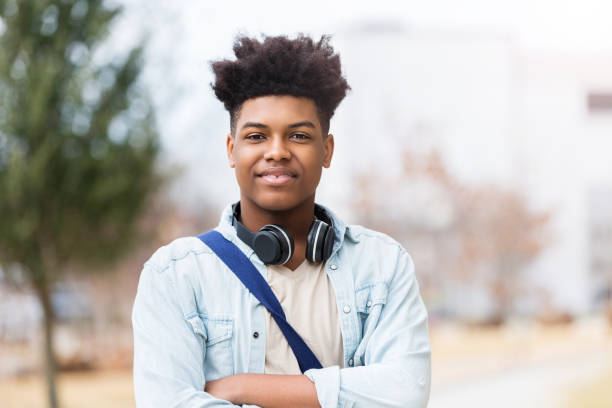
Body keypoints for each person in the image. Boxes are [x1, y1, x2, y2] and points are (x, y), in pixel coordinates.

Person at [132, 34, 431, 408]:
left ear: (327, 150)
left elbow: (405, 393)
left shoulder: (383, 265)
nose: (276, 151)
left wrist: (243, 388)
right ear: (232, 149)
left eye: (299, 136)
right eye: (257, 136)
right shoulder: (175, 276)